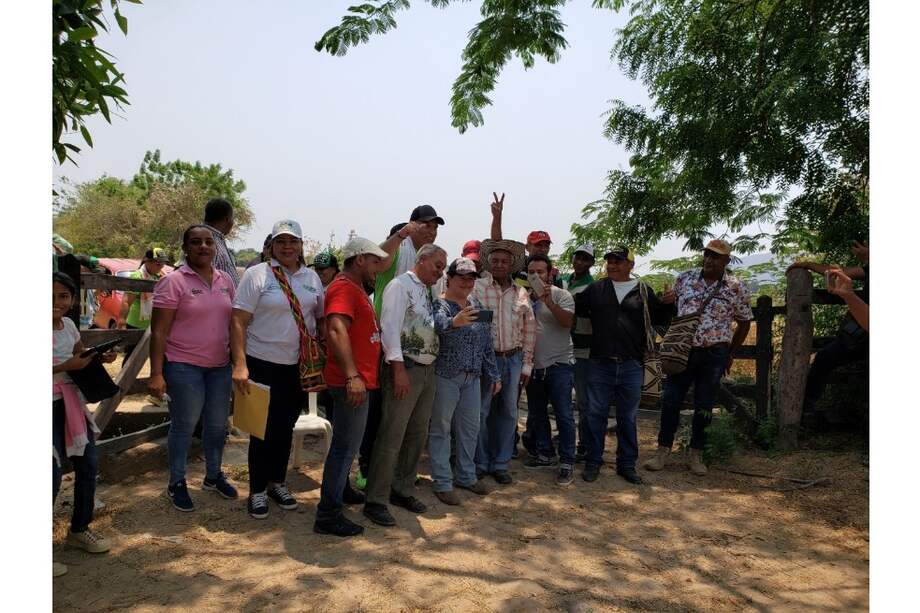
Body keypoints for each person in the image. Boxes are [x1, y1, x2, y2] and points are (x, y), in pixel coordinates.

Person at [231, 219, 325, 519]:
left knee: (285, 428)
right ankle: (257, 489)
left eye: (293, 241)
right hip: (261, 361)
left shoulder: (312, 278)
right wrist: (240, 364)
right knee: (261, 429)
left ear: (301, 246)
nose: (287, 247)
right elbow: (238, 321)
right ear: (271, 245)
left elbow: (319, 320)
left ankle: (277, 482)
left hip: (295, 367)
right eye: (281, 241)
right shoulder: (257, 275)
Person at [148, 225, 238, 512]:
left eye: (208, 242)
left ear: (215, 248)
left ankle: (213, 476)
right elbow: (159, 332)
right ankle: (177, 482)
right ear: (185, 248)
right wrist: (156, 373)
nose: (203, 247)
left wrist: (238, 361)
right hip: (184, 367)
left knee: (216, 426)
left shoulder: (225, 280)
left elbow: (234, 324)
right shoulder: (173, 282)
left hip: (220, 368)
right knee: (184, 426)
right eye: (196, 242)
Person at [644, 239, 752, 476]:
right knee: (671, 399)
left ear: (726, 261)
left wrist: (730, 353)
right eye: (707, 255)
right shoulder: (684, 279)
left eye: (716, 257)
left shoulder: (736, 286)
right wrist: (666, 302)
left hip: (715, 352)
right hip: (684, 350)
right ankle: (662, 450)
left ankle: (696, 453)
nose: (710, 260)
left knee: (704, 404)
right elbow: (673, 312)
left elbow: (744, 322)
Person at [357, 209, 444, 489]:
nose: (431, 230)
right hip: (385, 346)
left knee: (411, 426)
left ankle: (398, 479)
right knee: (384, 420)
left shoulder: (429, 282)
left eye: (435, 226)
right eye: (426, 224)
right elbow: (379, 263)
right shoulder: (398, 258)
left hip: (415, 357)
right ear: (412, 224)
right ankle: (369, 474)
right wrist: (400, 234)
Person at [575, 247, 676, 483]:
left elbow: (660, 319)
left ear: (631, 265)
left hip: (631, 363)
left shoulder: (642, 290)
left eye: (618, 261)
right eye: (609, 261)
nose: (612, 265)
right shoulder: (597, 288)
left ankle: (627, 464)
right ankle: (593, 461)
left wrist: (668, 304)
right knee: (595, 414)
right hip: (600, 362)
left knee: (627, 418)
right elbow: (576, 308)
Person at [313, 237, 388, 537]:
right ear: (359, 260)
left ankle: (341, 492)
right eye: (374, 262)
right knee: (344, 449)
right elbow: (335, 328)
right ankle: (328, 515)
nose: (378, 269)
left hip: (359, 379)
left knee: (347, 446)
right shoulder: (344, 287)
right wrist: (352, 375)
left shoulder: (355, 288)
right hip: (351, 382)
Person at [52, 272, 117, 570]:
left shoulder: (67, 326)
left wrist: (97, 357)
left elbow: (77, 355)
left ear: (73, 300)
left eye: (63, 296)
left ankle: (79, 528)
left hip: (73, 405)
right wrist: (67, 365)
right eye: (49, 295)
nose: (56, 302)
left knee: (89, 464)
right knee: (49, 476)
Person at [429, 257, 500, 505]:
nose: (467, 282)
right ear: (449, 279)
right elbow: (435, 326)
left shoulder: (476, 304)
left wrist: (494, 374)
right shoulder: (440, 304)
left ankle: (466, 476)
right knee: (441, 429)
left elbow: (486, 343)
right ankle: (442, 481)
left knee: (470, 429)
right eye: (462, 277)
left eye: (471, 278)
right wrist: (452, 323)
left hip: (473, 377)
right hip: (446, 375)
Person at [473, 239, 536, 485]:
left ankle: (500, 463)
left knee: (509, 412)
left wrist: (527, 364)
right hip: (485, 360)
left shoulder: (521, 293)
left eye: (504, 261)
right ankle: (480, 462)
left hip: (513, 359)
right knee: (481, 411)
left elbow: (529, 330)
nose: (499, 264)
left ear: (512, 264)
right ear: (488, 262)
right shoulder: (477, 288)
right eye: (495, 260)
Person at [787, 240, 869, 422]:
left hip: (861, 335)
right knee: (824, 358)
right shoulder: (868, 269)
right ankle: (805, 410)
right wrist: (807, 264)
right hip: (858, 336)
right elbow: (836, 273)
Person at [521, 255, 579, 486]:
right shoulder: (523, 297)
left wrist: (549, 302)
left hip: (559, 365)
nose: (536, 276)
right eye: (532, 272)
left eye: (541, 272)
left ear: (550, 273)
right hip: (534, 366)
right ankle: (545, 454)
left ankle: (567, 461)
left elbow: (567, 323)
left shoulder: (562, 295)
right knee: (537, 413)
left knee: (564, 415)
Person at [560, 245, 596, 462]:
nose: (580, 262)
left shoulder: (593, 286)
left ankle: (584, 444)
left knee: (584, 401)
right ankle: (565, 439)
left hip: (583, 348)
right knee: (562, 400)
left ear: (591, 263)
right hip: (561, 346)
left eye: (585, 259)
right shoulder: (562, 279)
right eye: (578, 257)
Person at [488, 192, 561, 286]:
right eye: (538, 245)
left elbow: (559, 299)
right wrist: (497, 217)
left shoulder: (554, 273)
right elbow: (498, 247)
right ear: (527, 247)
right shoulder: (517, 267)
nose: (542, 249)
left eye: (546, 246)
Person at [119, 247, 171, 362]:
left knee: (157, 354)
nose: (161, 266)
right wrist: (122, 321)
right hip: (136, 324)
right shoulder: (137, 277)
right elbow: (127, 300)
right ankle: (126, 379)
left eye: (163, 264)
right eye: (158, 263)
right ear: (147, 261)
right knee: (132, 357)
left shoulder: (161, 276)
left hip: (153, 325)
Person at [203, 197, 241, 286]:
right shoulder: (208, 241)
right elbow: (203, 278)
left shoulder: (217, 239)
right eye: (233, 219)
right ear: (227, 219)